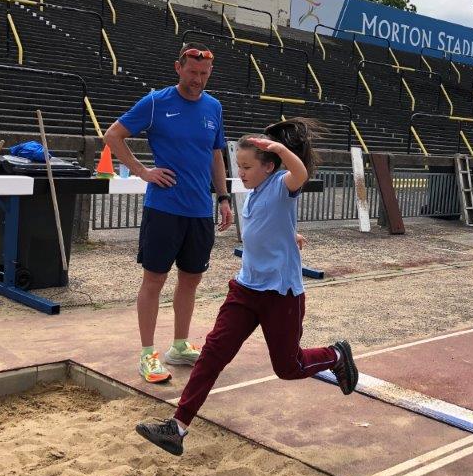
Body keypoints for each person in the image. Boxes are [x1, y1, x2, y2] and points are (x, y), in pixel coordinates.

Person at [135, 118, 359, 456]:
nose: (241, 173)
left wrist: (281, 149)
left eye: (247, 167)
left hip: (280, 294)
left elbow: (300, 175)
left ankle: (337, 355)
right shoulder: (255, 194)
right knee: (212, 354)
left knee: (289, 367)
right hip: (245, 289)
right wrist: (290, 234)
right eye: (238, 166)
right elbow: (274, 224)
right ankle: (177, 428)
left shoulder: (283, 184)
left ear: (269, 167)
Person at [104, 44, 234, 384]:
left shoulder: (213, 107)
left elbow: (215, 154)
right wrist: (142, 171)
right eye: (192, 72)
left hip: (198, 211)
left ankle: (179, 345)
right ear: (178, 68)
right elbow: (113, 135)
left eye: (204, 75)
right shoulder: (156, 102)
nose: (198, 80)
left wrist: (223, 197)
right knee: (154, 280)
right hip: (163, 208)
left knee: (191, 279)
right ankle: (148, 353)